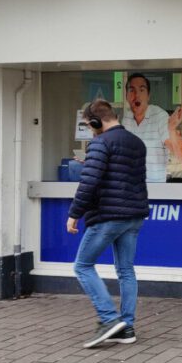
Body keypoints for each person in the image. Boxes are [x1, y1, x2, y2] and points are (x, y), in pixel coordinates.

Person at [67, 100, 149, 348]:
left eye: (89, 125)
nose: (90, 130)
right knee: (126, 270)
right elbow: (123, 176)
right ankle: (126, 327)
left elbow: (89, 184)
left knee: (82, 265)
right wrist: (92, 164)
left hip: (109, 215)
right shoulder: (136, 142)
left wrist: (74, 214)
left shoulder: (101, 142)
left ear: (95, 121)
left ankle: (108, 318)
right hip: (133, 215)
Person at [122, 73, 182, 182]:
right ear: (126, 96)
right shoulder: (126, 118)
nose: (136, 95)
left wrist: (171, 129)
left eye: (142, 90)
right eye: (132, 90)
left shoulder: (160, 117)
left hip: (155, 192)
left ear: (148, 96)